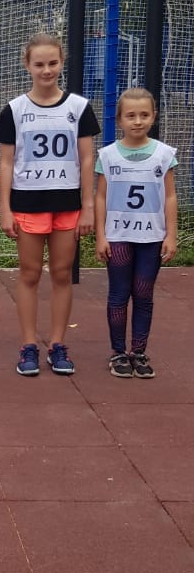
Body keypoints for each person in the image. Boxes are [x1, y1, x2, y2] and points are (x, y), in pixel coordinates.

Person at [0, 33, 99, 376]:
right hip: (28, 201)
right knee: (30, 273)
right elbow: (6, 162)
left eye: (53, 63)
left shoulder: (78, 107)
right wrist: (5, 208)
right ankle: (28, 345)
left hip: (66, 202)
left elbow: (87, 159)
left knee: (63, 274)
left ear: (62, 62)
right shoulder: (15, 110)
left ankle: (57, 344)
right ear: (27, 65)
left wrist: (88, 206)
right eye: (39, 64)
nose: (46, 70)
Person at [95, 88, 177, 378]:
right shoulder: (108, 155)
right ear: (119, 119)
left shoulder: (164, 154)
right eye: (131, 116)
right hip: (118, 236)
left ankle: (138, 352)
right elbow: (100, 197)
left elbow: (170, 196)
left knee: (143, 293)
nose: (138, 121)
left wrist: (171, 234)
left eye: (144, 115)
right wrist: (101, 235)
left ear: (153, 117)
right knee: (119, 293)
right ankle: (118, 352)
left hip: (151, 237)